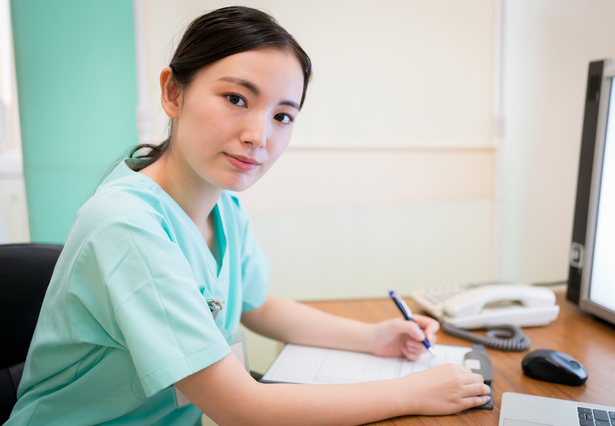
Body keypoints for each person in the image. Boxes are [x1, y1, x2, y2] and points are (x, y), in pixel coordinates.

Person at [7, 6, 491, 425]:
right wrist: (415, 392)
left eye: (283, 116)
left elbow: (257, 305)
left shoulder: (223, 205)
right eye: (236, 99)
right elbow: (242, 410)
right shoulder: (126, 225)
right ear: (173, 93)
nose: (259, 135)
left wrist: (373, 337)